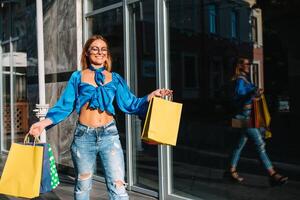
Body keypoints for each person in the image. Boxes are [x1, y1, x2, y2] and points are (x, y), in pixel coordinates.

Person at [28, 35, 172, 200]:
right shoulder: (77, 76)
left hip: (109, 136)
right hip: (84, 137)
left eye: (103, 49)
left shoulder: (115, 78)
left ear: (107, 55)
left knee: (118, 187)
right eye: (95, 48)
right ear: (87, 53)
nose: (99, 52)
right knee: (83, 186)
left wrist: (151, 96)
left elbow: (130, 103)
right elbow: (65, 105)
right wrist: (43, 123)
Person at [226, 57, 288, 186]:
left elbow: (250, 95)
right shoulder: (239, 80)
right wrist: (253, 93)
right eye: (246, 64)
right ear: (239, 65)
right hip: (242, 118)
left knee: (239, 145)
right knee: (259, 144)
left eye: (249, 63)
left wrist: (256, 93)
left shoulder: (245, 79)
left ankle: (230, 171)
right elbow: (239, 97)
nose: (249, 65)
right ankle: (272, 174)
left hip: (244, 116)